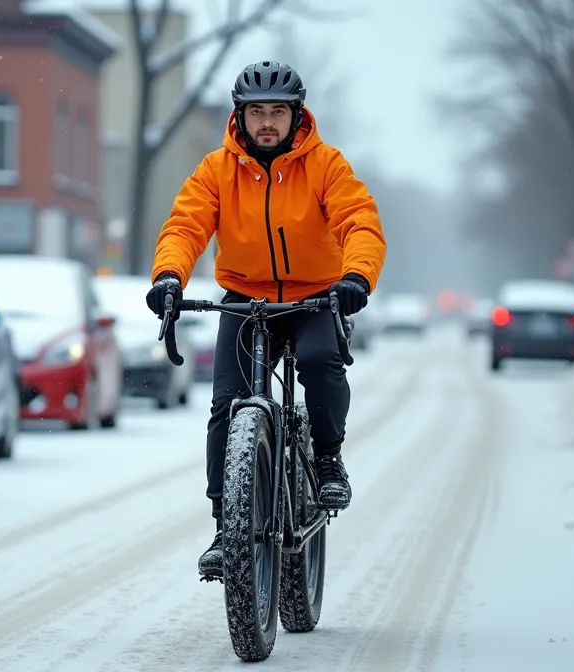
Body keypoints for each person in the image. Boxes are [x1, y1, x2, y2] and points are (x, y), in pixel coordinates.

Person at [144, 61, 387, 579]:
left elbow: (358, 221)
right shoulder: (216, 170)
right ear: (241, 116)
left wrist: (356, 277)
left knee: (322, 361)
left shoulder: (325, 165)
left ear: (297, 115)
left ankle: (326, 460)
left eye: (278, 111)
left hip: (313, 300)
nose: (268, 122)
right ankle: (224, 527)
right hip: (244, 300)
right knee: (227, 406)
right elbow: (185, 225)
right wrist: (168, 276)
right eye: (258, 112)